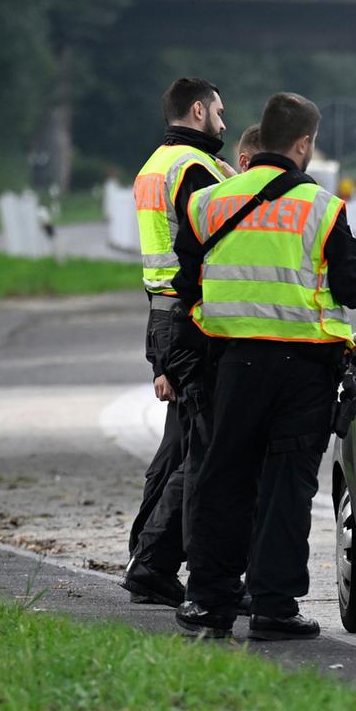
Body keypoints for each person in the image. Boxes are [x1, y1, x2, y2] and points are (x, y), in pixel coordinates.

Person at [174, 92, 356, 640]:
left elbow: (185, 282)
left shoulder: (208, 203)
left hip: (231, 363)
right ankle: (273, 608)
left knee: (224, 478)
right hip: (304, 371)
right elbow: (355, 287)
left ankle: (209, 602)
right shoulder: (321, 208)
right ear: (304, 143)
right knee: (287, 487)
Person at [124, 77, 234, 607]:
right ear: (197, 110)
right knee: (203, 449)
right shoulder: (193, 169)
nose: (224, 122)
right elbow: (211, 242)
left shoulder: (153, 165)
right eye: (219, 112)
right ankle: (152, 561)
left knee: (178, 447)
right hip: (191, 315)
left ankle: (145, 559)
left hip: (162, 313)